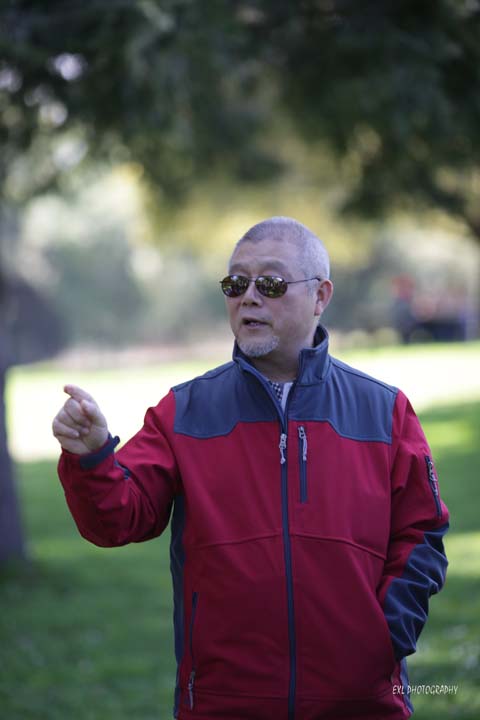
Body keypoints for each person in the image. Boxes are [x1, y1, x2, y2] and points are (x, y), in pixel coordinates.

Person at [53, 217, 449, 720]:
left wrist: (384, 635)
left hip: (361, 702)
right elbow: (116, 520)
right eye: (236, 283)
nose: (249, 298)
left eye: (271, 283)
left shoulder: (385, 411)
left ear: (320, 295)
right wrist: (91, 457)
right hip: (222, 702)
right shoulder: (183, 412)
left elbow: (423, 532)